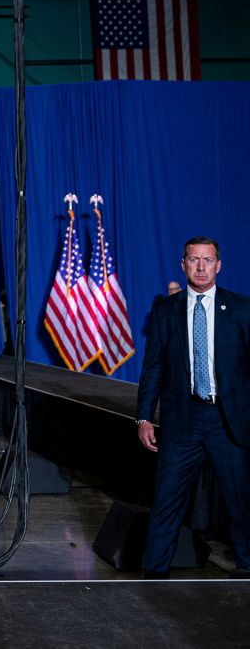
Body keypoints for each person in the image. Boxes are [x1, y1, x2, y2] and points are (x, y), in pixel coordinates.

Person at [136, 236, 250, 578]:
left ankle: (247, 566)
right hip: (182, 419)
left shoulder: (242, 309)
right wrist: (143, 417)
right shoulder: (165, 310)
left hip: (227, 421)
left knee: (240, 501)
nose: (201, 267)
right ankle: (154, 573)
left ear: (219, 265)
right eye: (194, 260)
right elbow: (153, 367)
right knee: (167, 500)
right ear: (183, 264)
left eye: (208, 260)